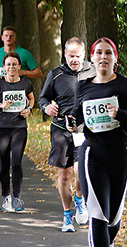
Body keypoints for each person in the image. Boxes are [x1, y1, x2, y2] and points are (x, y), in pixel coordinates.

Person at [72, 37, 127, 247]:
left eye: (108, 53)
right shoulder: (83, 87)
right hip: (92, 155)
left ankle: (108, 244)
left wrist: (120, 115)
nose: (103, 57)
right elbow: (76, 117)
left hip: (120, 157)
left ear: (115, 58)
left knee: (114, 218)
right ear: (91, 59)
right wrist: (72, 123)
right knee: (98, 213)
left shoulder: (125, 86)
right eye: (98, 53)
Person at [39, 37, 95, 232]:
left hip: (84, 130)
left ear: (84, 54)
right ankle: (67, 216)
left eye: (78, 56)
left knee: (81, 173)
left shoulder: (93, 72)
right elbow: (43, 98)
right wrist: (47, 108)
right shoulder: (55, 74)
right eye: (71, 56)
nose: (74, 59)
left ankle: (79, 199)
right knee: (64, 175)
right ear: (65, 55)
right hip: (61, 128)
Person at [0, 52, 35, 212]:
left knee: (17, 163)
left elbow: (31, 98)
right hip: (2, 128)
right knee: (4, 165)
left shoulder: (26, 83)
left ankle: (17, 198)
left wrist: (29, 109)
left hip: (19, 128)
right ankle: (6, 197)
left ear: (19, 66)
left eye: (14, 64)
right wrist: (1, 105)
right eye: (8, 65)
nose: (11, 67)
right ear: (3, 68)